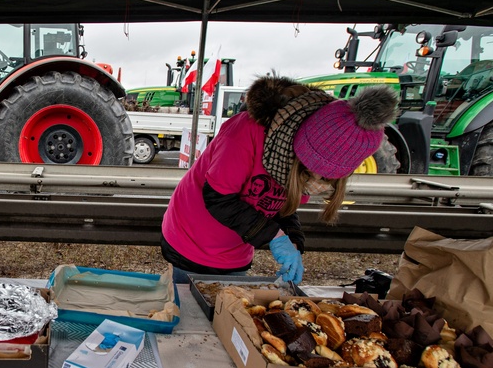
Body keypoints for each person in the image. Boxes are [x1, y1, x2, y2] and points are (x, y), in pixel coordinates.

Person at [161, 75, 398, 285]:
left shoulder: (303, 166)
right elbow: (219, 199)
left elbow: (279, 203)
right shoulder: (245, 132)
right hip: (190, 241)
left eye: (326, 178)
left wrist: (293, 240)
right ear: (298, 148)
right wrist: (276, 237)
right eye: (311, 172)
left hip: (235, 252)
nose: (316, 183)